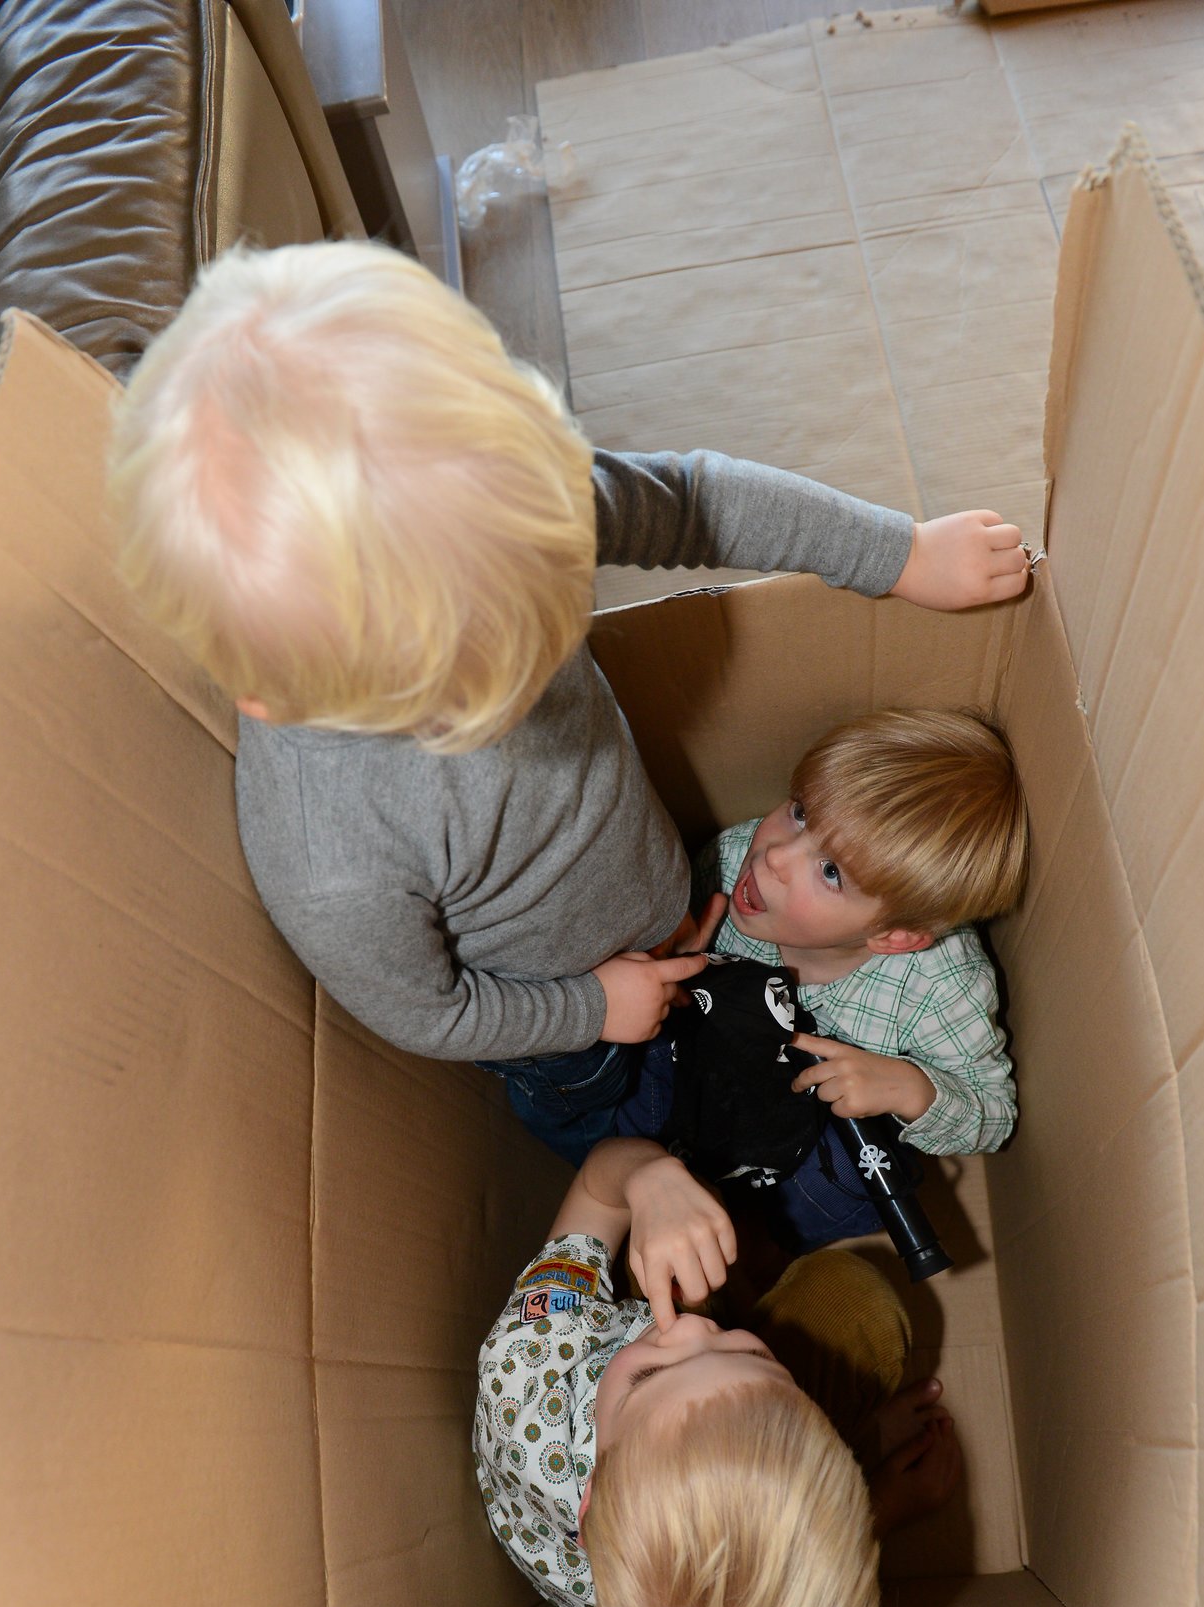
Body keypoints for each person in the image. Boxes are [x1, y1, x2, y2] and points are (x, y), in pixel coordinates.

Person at [108, 241, 1029, 1161]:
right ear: (271, 692)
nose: (554, 654)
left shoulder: (493, 511)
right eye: (481, 685)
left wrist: (898, 552)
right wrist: (595, 1006)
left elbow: (694, 498)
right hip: (560, 1023)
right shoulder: (334, 860)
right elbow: (427, 1011)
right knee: (611, 1122)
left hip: (668, 901)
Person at [474, 1136, 961, 1607]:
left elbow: (596, 1191)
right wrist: (880, 1499)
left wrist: (646, 1177)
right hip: (688, 1438)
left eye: (648, 1376)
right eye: (758, 1360)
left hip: (592, 1338)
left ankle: (743, 1279)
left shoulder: (529, 1370)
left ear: (589, 1506)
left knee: (685, 1200)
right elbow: (767, 1582)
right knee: (862, 1305)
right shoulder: (703, 1575)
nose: (692, 1332)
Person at [616, 708, 1028, 1250]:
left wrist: (911, 1087)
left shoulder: (940, 988)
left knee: (865, 1178)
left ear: (895, 937)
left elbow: (994, 1114)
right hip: (705, 1077)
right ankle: (630, 1192)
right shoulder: (736, 857)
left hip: (802, 1139)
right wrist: (670, 960)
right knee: (622, 1035)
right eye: (801, 813)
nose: (775, 856)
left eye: (831, 872)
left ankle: (756, 1248)